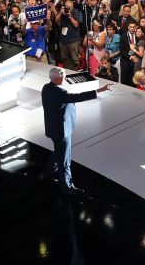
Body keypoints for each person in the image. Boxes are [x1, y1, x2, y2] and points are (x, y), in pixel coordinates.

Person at [41, 67, 112, 196]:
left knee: (58, 151)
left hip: (53, 129)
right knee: (65, 160)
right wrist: (100, 90)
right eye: (63, 76)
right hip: (62, 131)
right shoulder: (60, 93)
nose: (65, 78)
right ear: (56, 78)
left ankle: (47, 173)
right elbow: (78, 97)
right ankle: (67, 188)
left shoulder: (46, 88)